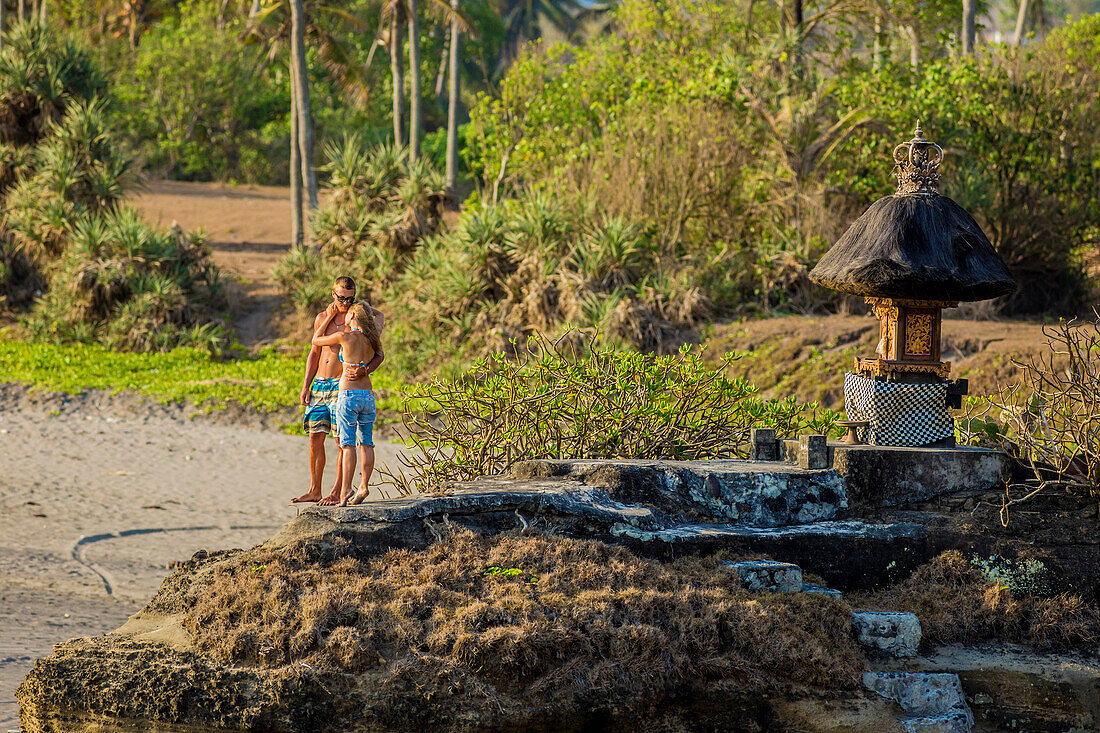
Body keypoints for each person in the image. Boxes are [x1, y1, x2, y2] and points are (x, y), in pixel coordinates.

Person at [293, 277, 384, 504]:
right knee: (315, 437)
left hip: (341, 385)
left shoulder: (356, 322)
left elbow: (379, 349)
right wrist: (306, 383)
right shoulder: (322, 318)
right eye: (341, 297)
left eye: (349, 298)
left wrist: (365, 370)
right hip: (319, 385)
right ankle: (315, 489)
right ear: (332, 294)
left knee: (341, 440)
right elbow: (314, 351)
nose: (344, 302)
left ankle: (337, 490)